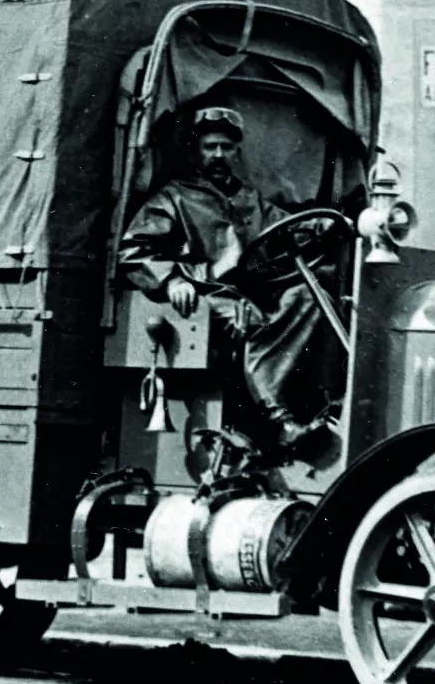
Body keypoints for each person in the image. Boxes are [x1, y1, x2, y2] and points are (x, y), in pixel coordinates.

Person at [115, 106, 335, 460]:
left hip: (255, 291)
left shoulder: (251, 199)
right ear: (195, 152)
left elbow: (289, 228)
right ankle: (277, 421)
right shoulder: (174, 197)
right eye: (210, 147)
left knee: (311, 296)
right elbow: (134, 249)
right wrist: (171, 280)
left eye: (227, 147)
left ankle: (322, 405)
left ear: (237, 152)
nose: (218, 155)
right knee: (249, 318)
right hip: (206, 295)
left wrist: (324, 226)